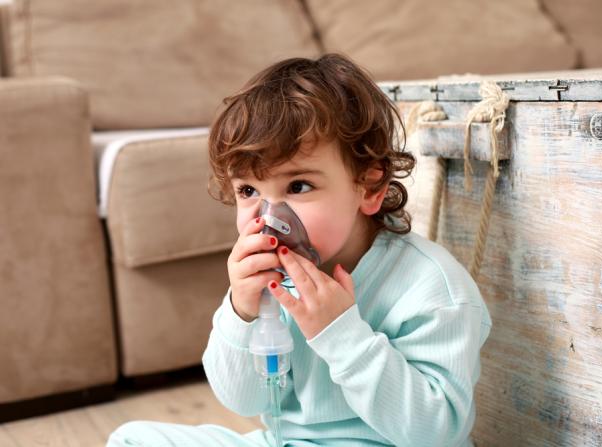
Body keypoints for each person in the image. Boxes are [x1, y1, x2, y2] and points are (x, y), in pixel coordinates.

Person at [107, 54, 491, 447]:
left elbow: (437, 432)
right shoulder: (269, 284)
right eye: (249, 191)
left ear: (370, 186)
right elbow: (243, 399)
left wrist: (340, 333)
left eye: (298, 187)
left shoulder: (429, 286)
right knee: (131, 439)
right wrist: (242, 312)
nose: (272, 216)